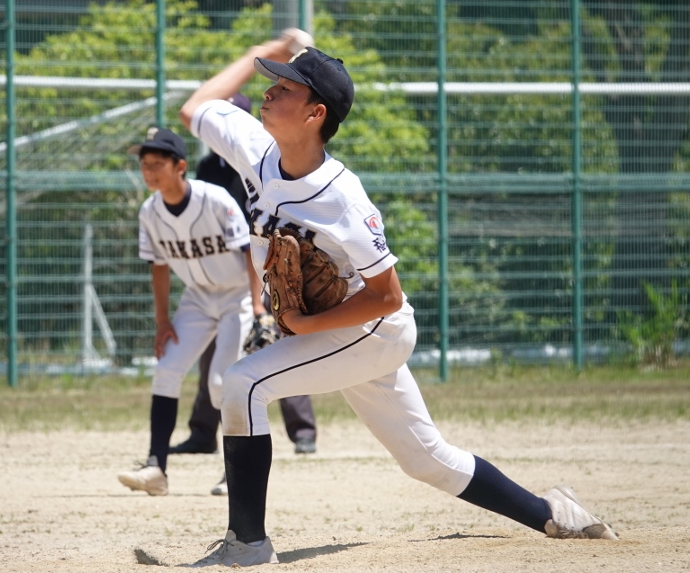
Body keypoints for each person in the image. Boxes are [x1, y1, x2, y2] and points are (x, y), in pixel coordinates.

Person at [177, 32, 619, 566]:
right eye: (273, 82)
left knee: (244, 382)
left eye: (285, 88)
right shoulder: (256, 149)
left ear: (316, 114)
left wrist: (303, 324)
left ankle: (247, 544)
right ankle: (555, 513)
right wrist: (273, 45)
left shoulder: (342, 199)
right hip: (339, 331)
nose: (269, 92)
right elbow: (196, 107)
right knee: (426, 459)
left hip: (370, 332)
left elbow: (387, 296)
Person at [169, 93, 319, 497]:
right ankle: (203, 432)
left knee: (282, 338)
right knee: (214, 353)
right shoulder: (209, 166)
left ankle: (303, 430)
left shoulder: (268, 157)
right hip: (228, 265)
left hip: (269, 260)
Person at [116, 126, 265, 497]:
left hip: (237, 296)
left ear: (180, 166)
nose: (149, 171)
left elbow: (249, 251)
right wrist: (162, 321)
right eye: (144, 165)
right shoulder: (150, 212)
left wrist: (258, 305)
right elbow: (159, 267)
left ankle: (236, 472)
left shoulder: (215, 200)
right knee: (166, 369)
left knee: (221, 382)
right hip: (197, 298)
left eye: (157, 164)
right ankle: (156, 468)